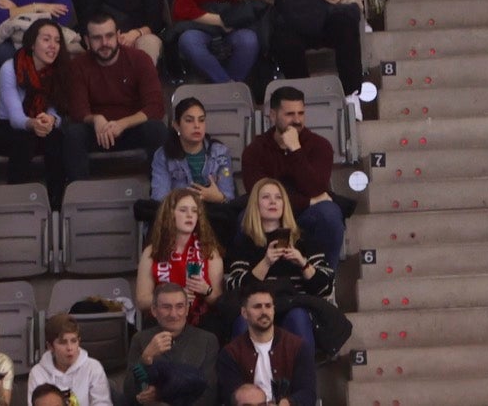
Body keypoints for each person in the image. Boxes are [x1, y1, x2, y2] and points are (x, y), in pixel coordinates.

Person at [223, 178, 350, 356]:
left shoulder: (303, 239)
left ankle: (301, 381)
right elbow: (234, 288)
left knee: (297, 316)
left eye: (278, 197)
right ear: (255, 205)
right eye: (266, 197)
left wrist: (303, 263)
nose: (273, 201)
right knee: (244, 321)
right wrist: (266, 262)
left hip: (294, 307)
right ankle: (249, 383)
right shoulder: (244, 242)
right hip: (258, 308)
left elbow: (325, 288)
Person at [241, 88, 347, 272]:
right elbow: (257, 196)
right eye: (290, 114)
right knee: (242, 218)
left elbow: (315, 187)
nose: (297, 120)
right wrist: (309, 201)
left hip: (307, 215)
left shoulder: (320, 146)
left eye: (301, 113)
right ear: (272, 116)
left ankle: (325, 281)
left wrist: (296, 150)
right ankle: (251, 284)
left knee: (329, 214)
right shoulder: (255, 150)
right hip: (269, 214)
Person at [64, 14, 167, 178]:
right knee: (72, 134)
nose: (105, 43)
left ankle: (158, 195)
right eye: (97, 38)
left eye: (109, 36)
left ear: (118, 36)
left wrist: (122, 124)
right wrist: (95, 119)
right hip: (97, 132)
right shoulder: (78, 66)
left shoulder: (139, 59)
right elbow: (77, 110)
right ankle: (79, 194)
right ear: (87, 41)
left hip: (130, 128)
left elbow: (155, 107)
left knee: (157, 129)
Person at [0, 18, 72, 210]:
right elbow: (16, 117)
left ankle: (56, 205)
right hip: (7, 128)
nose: (53, 46)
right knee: (24, 139)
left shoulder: (58, 70)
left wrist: (51, 120)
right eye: (46, 39)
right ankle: (18, 205)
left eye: (57, 41)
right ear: (32, 44)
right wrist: (34, 124)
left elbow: (57, 110)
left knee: (58, 138)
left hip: (40, 126)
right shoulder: (10, 68)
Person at [151, 97, 238, 242]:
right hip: (178, 217)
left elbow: (228, 197)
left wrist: (218, 198)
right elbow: (160, 199)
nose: (197, 126)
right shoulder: (163, 155)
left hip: (213, 215)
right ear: (176, 126)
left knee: (226, 217)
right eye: (189, 120)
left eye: (201, 120)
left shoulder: (220, 152)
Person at [136, 189, 224, 332]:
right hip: (163, 321)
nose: (190, 215)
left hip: (200, 322)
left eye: (194, 211)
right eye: (183, 210)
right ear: (170, 215)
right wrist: (172, 298)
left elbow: (218, 300)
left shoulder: (210, 251)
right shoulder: (152, 252)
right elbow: (142, 300)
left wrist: (205, 290)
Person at [217, 287, 317, 406]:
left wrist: (286, 403)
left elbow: (308, 393)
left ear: (274, 310)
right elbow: (231, 396)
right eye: (257, 306)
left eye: (268, 306)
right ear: (244, 313)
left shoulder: (298, 346)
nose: (264, 311)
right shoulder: (230, 353)